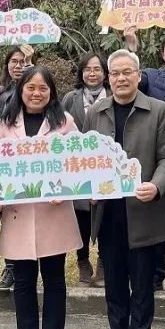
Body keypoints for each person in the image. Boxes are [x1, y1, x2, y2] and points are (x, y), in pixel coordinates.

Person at [84, 49, 165, 329]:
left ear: (139, 75)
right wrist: (88, 187)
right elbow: (87, 160)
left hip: (144, 210)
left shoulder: (158, 110)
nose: (121, 79)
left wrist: (156, 185)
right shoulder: (96, 112)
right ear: (108, 78)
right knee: (113, 285)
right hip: (109, 213)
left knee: (141, 284)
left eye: (127, 72)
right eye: (115, 74)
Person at [0, 66, 82, 329]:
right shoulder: (5, 124)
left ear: (52, 93)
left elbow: (79, 163)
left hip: (53, 213)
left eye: (43, 88)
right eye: (31, 87)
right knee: (23, 283)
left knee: (55, 280)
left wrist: (67, 186)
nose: (36, 93)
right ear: (20, 89)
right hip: (19, 213)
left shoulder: (65, 122)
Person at [123, 27, 165, 291]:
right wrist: (131, 47)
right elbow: (129, 79)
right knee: (156, 210)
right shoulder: (150, 76)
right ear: (162, 53)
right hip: (156, 152)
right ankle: (156, 274)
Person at [61, 52, 108, 286]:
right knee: (80, 214)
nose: (92, 73)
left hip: (106, 165)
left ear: (104, 72)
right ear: (81, 73)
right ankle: (82, 261)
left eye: (97, 69)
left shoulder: (113, 97)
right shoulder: (71, 98)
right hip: (77, 166)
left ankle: (103, 262)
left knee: (105, 212)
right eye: (88, 69)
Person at [0, 44, 35, 291]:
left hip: (33, 160)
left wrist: (31, 67)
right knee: (11, 217)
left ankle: (25, 267)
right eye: (14, 61)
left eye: (22, 61)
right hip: (7, 160)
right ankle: (10, 267)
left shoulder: (32, 87)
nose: (18, 65)